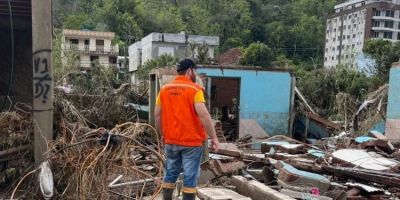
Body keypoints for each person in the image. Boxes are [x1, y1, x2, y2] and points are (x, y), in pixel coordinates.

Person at [154, 58, 219, 200]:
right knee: (190, 177)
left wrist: (163, 134)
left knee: (170, 174)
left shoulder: (164, 89)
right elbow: (204, 116)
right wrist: (214, 137)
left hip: (171, 141)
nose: (196, 73)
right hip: (191, 143)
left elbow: (157, 116)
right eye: (195, 70)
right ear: (190, 70)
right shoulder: (195, 90)